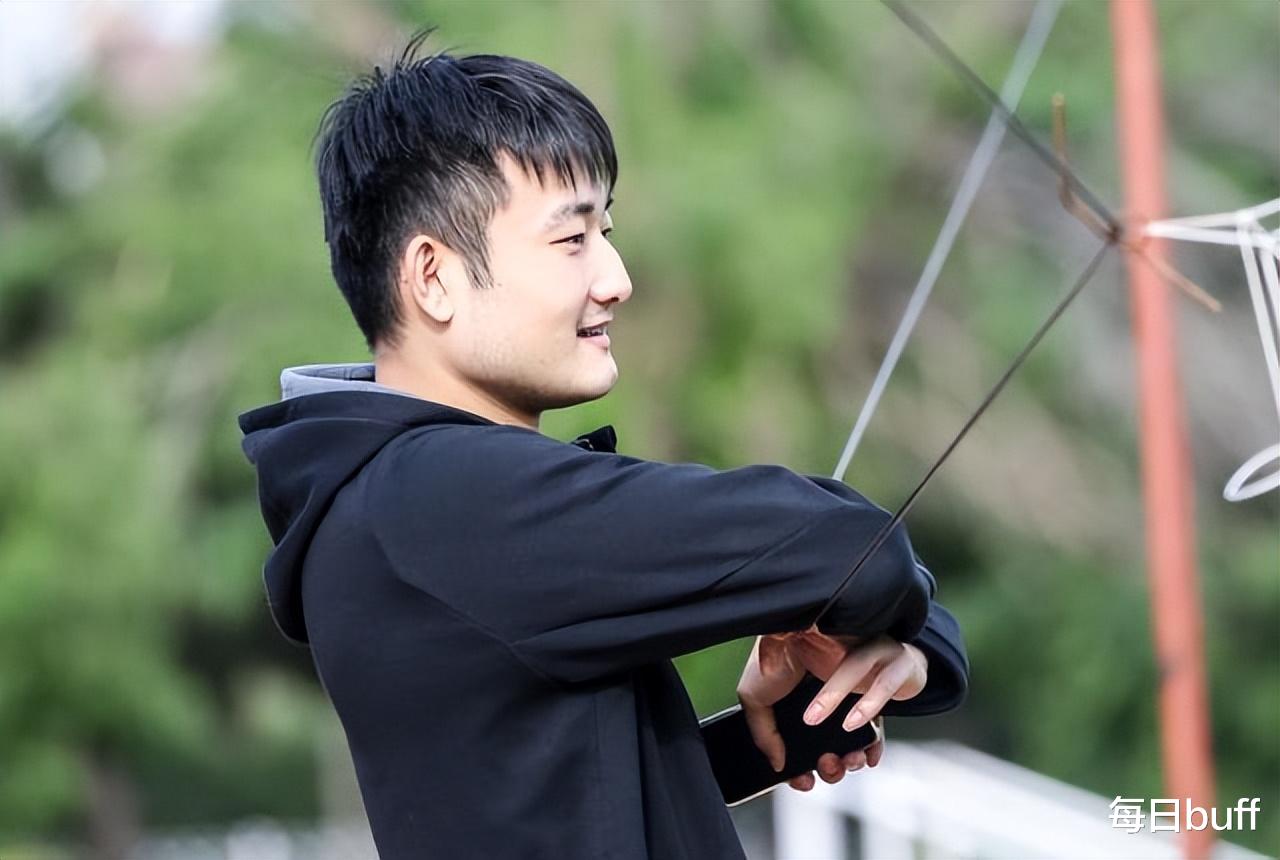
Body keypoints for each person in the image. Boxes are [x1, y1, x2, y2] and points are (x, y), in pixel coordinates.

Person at [238, 30, 968, 860]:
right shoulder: (446, 494)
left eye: (605, 232)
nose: (616, 279)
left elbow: (545, 799)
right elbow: (855, 552)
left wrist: (779, 728)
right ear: (433, 277)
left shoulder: (383, 504)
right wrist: (896, 619)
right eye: (571, 240)